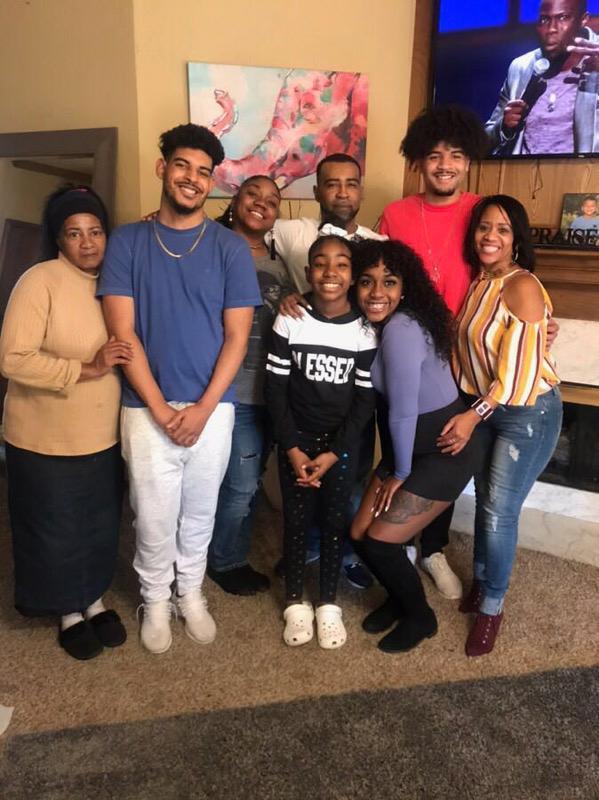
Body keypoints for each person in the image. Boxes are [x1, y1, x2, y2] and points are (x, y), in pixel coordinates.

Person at [98, 124, 261, 654]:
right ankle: (154, 598)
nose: (192, 178)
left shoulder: (230, 248)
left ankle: (189, 592)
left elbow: (237, 338)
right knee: (152, 516)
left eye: (203, 172)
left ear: (211, 182)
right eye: (183, 166)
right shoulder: (127, 242)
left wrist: (204, 408)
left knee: (200, 511)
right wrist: (162, 409)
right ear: (162, 168)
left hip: (213, 409)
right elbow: (123, 335)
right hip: (145, 408)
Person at [0, 185, 131, 660]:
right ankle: (67, 611)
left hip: (101, 434)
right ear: (58, 239)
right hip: (43, 438)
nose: (88, 242)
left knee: (98, 525)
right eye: (74, 233)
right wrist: (86, 369)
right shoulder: (40, 281)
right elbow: (12, 359)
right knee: (53, 529)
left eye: (96, 231)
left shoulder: (116, 282)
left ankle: (92, 599)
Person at [444, 195, 562, 657]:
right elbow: (465, 349)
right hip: (487, 407)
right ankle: (481, 580)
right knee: (486, 501)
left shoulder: (523, 285)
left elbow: (517, 377)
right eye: (484, 227)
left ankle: (492, 607)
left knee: (499, 511)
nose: (490, 236)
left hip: (526, 412)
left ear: (517, 240)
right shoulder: (481, 281)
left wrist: (471, 415)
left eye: (503, 229)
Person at [379, 105, 490, 599]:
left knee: (446, 454)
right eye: (435, 155)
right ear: (418, 161)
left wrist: (538, 320)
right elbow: (375, 284)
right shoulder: (396, 214)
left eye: (456, 155)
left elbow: (510, 272)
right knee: (400, 444)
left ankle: (434, 548)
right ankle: (401, 544)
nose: (445, 165)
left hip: (463, 364)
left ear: (468, 161)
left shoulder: (482, 211)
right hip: (406, 359)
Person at [349, 239, 481, 654]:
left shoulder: (402, 329)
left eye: (389, 282)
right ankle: (399, 598)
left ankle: (422, 618)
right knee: (358, 532)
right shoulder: (378, 325)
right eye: (367, 281)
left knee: (379, 541)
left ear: (405, 288)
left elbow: (403, 410)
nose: (377, 292)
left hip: (442, 452)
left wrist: (400, 473)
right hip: (406, 450)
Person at [273, 153, 386, 589]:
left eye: (351, 183)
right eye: (332, 183)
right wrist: (294, 296)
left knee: (351, 477)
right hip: (306, 376)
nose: (342, 192)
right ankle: (309, 547)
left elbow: (389, 295)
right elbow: (238, 230)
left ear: (361, 190)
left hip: (356, 368)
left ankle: (346, 551)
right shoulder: (293, 232)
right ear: (317, 190)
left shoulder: (377, 242)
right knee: (304, 485)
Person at [265, 235, 377, 649]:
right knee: (295, 522)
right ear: (308, 271)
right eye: (321, 263)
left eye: (342, 264)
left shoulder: (364, 330)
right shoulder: (290, 318)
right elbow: (275, 391)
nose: (331, 272)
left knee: (334, 522)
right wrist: (292, 449)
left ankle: (328, 603)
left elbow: (363, 401)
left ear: (353, 275)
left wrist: (333, 453)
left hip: (339, 446)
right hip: (296, 441)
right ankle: (294, 601)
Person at [207, 175, 294, 596]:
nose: (262, 203)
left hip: (270, 393)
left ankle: (226, 551)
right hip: (231, 392)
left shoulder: (280, 264)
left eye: (272, 200)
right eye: (253, 194)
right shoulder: (210, 246)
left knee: (250, 478)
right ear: (236, 199)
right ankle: (224, 561)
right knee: (240, 485)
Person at [485, 0, 599, 156]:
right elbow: (483, 141)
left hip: (584, 171)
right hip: (524, 171)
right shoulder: (521, 68)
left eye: (563, 17)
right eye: (545, 19)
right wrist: (503, 127)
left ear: (583, 19)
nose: (551, 29)